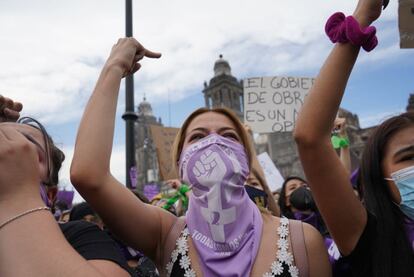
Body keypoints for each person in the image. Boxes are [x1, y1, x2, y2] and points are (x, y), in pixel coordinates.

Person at [70, 37, 331, 277]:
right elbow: (89, 175)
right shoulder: (166, 234)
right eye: (198, 137)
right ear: (181, 162)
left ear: (246, 156)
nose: (213, 143)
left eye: (228, 135)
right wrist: (115, 66)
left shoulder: (303, 240)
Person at [293, 0, 414, 276]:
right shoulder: (373, 238)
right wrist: (362, 17)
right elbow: (310, 137)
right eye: (409, 156)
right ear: (377, 177)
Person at [0, 96, 131, 276]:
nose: (7, 152)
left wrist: (17, 197)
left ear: (51, 195)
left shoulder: (78, 237)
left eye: (28, 149)